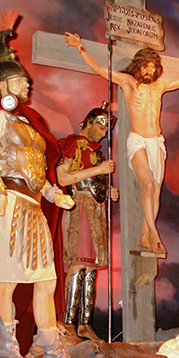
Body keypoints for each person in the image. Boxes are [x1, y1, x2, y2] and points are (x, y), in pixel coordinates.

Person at [0, 24, 92, 358]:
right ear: (3, 85)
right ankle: (9, 356)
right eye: (21, 80)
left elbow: (37, 172)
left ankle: (53, 353)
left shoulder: (30, 126)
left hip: (34, 209)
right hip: (9, 204)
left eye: (27, 80)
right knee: (6, 281)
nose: (28, 84)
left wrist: (53, 194)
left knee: (46, 282)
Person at [63, 32, 179, 255]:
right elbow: (100, 70)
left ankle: (144, 237)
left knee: (156, 188)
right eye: (146, 67)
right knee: (147, 184)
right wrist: (80, 47)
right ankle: (153, 233)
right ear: (138, 66)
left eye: (152, 68)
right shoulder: (128, 83)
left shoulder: (159, 86)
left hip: (156, 141)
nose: (149, 71)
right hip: (138, 139)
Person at [56, 105, 118, 342]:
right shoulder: (74, 144)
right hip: (80, 206)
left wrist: (108, 191)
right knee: (78, 265)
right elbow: (63, 178)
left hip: (96, 210)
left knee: (91, 269)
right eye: (101, 127)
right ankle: (69, 323)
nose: (103, 133)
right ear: (89, 123)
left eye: (106, 129)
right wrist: (98, 170)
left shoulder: (96, 152)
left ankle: (85, 324)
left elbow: (93, 182)